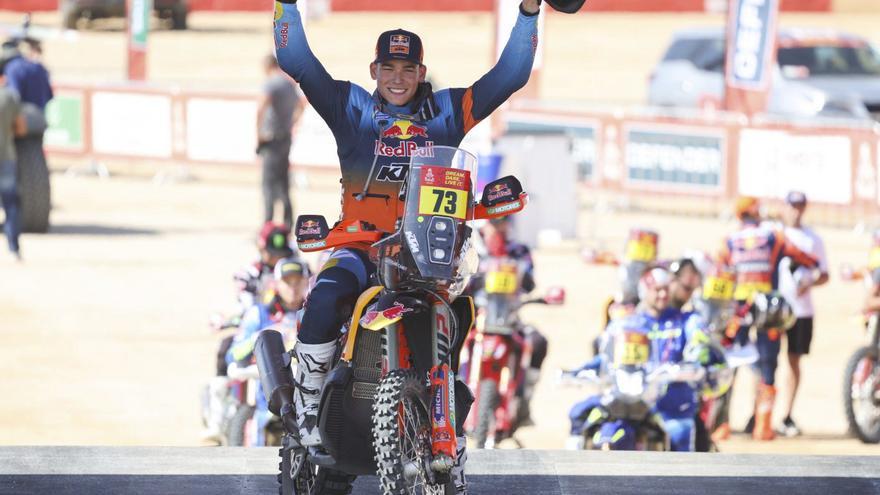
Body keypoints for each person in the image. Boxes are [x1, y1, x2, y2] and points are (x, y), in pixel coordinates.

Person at [273, 0, 540, 489]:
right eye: (389, 68)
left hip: (427, 253)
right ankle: (309, 410)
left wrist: (527, 11)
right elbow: (296, 63)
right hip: (359, 248)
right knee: (328, 294)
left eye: (409, 68)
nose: (399, 77)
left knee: (463, 314)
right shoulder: (349, 107)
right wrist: (285, 5)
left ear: (421, 70)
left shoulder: (447, 112)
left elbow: (512, 75)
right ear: (374, 70)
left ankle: (447, 432)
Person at [567, 267, 725, 452]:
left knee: (680, 435)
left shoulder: (688, 321)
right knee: (581, 415)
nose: (663, 294)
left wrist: (697, 362)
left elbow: (701, 346)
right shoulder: (628, 324)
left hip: (673, 408)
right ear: (644, 290)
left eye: (666, 288)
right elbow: (607, 358)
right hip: (633, 404)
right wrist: (577, 372)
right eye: (657, 289)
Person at [716, 196, 818, 441]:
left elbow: (719, 274)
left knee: (728, 362)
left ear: (739, 216)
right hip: (768, 310)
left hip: (738, 311)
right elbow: (806, 259)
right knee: (768, 364)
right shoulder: (774, 237)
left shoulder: (729, 241)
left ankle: (721, 424)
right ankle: (763, 426)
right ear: (758, 214)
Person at [203, 222, 296, 441]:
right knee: (225, 351)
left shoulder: (294, 266)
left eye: (281, 253)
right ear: (261, 249)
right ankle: (218, 417)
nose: (277, 258)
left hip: (285, 329)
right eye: (272, 253)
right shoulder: (247, 274)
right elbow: (245, 307)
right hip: (255, 324)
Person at [218, 257, 311, 446]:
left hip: (307, 393)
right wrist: (257, 339)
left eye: (298, 281)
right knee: (256, 428)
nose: (292, 288)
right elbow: (233, 354)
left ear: (306, 282)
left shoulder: (313, 312)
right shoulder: (259, 313)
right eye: (287, 282)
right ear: (276, 284)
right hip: (264, 399)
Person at [476, 216, 546, 424]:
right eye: (494, 222)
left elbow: (530, 282)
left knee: (537, 342)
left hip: (509, 318)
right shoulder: (472, 248)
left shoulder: (519, 250)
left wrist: (516, 270)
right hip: (476, 317)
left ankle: (524, 400)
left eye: (504, 221)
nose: (500, 226)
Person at [775, 191, 828, 437]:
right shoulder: (774, 234)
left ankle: (786, 415)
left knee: (793, 361)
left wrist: (810, 283)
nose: (796, 211)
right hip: (774, 309)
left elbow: (824, 273)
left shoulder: (813, 239)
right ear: (784, 207)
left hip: (801, 309)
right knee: (765, 361)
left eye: (800, 206)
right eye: (792, 206)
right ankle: (760, 415)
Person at [257, 54, 302, 229]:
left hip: (271, 137)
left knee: (268, 184)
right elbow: (301, 105)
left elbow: (260, 108)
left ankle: (267, 225)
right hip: (285, 137)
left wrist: (258, 134)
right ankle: (288, 224)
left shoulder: (271, 83)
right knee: (283, 183)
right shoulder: (288, 84)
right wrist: (292, 123)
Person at [0, 59, 26, 261]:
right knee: (10, 205)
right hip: (6, 156)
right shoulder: (10, 96)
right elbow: (21, 128)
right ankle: (13, 247)